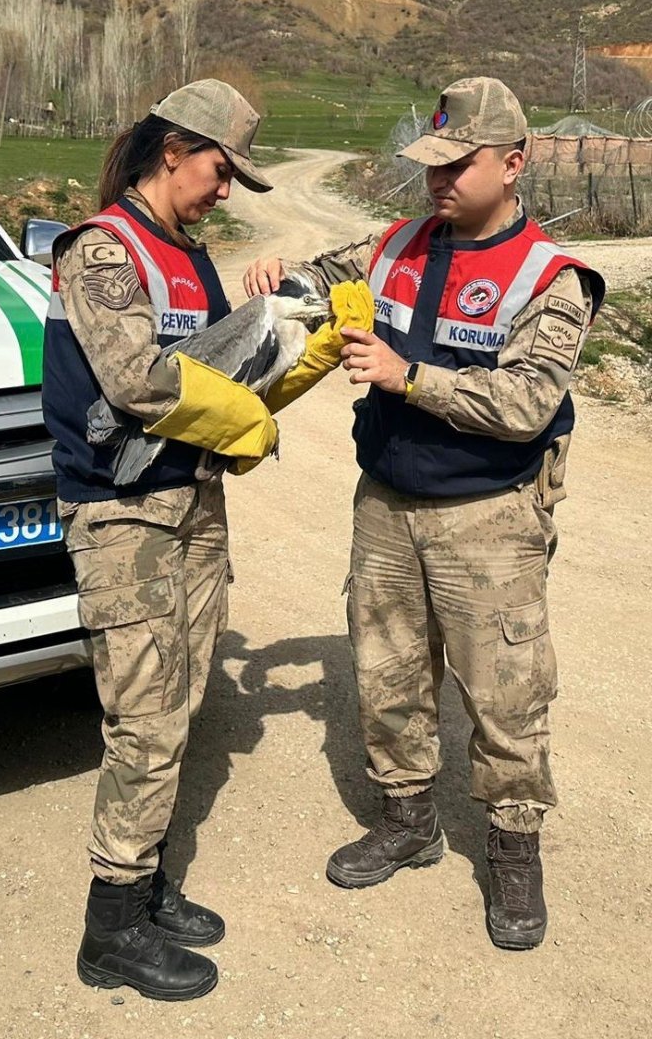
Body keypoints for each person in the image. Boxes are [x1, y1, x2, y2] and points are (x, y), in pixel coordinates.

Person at [243, 76, 605, 951]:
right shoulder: (399, 241)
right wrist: (282, 274)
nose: (439, 180)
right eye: (432, 164)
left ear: (513, 163)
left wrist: (409, 377)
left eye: (458, 163)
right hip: (387, 502)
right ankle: (408, 818)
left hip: (489, 515)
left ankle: (513, 849)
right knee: (388, 672)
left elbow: (526, 402)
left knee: (506, 691)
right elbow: (326, 275)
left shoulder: (550, 278)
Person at [43, 79, 369, 1000]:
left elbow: (230, 385)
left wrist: (307, 355)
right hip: (125, 517)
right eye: (220, 171)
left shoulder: (187, 256)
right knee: (144, 716)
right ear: (173, 150)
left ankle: (144, 883)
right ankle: (111, 925)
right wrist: (242, 422)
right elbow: (138, 381)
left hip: (188, 507)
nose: (225, 192)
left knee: (180, 700)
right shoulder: (102, 249)